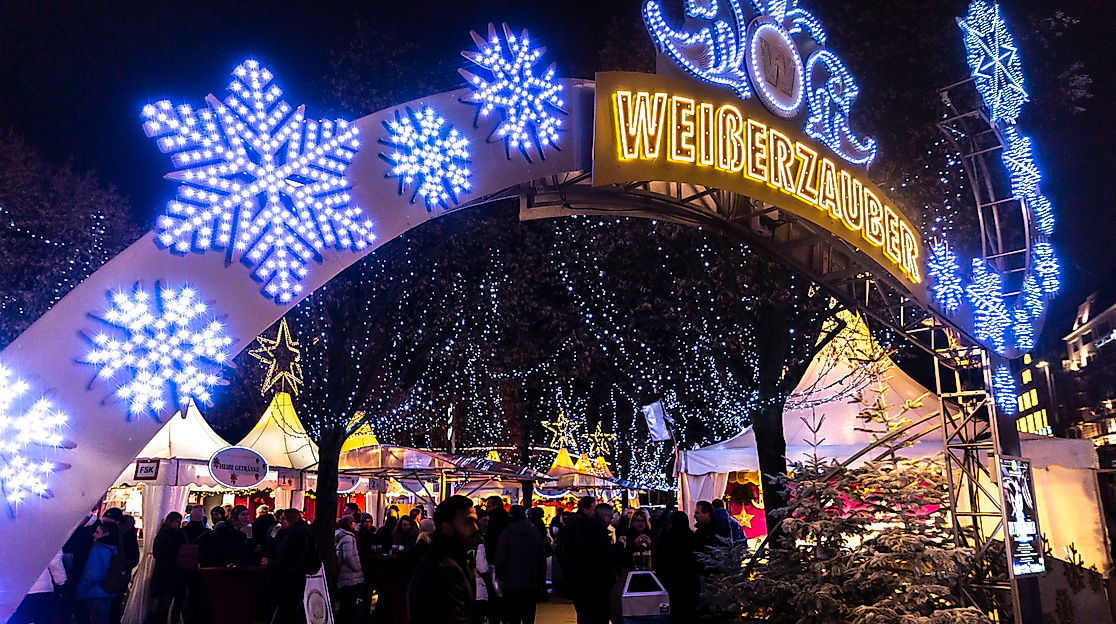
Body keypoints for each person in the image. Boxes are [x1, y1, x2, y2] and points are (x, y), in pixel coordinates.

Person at [406, 495, 479, 624]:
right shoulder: (445, 569)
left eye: (475, 521)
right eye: (468, 522)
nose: (475, 528)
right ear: (447, 527)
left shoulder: (451, 560)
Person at [568, 503, 619, 624]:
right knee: (599, 616)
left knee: (585, 616)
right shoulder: (600, 533)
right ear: (605, 517)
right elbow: (608, 557)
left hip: (581, 583)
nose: (610, 521)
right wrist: (619, 547)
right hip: (599, 584)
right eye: (610, 518)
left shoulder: (579, 530)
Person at [494, 506, 547, 624]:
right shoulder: (534, 532)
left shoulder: (506, 534)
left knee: (513, 616)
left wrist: (500, 576)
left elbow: (500, 558)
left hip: (510, 582)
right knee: (528, 616)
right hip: (530, 580)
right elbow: (541, 556)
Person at [263, 509, 316, 624]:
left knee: (287, 612)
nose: (280, 521)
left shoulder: (297, 535)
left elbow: (290, 560)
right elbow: (271, 543)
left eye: (283, 518)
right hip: (289, 579)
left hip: (289, 580)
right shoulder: (289, 532)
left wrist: (271, 562)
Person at [653, 511, 701, 622]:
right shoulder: (692, 539)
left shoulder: (667, 539)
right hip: (689, 585)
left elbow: (661, 561)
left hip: (671, 584)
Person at [145, 511, 186, 624]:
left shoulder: (170, 534)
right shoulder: (166, 535)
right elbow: (159, 553)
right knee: (161, 604)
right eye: (177, 522)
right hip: (165, 574)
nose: (179, 524)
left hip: (168, 574)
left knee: (163, 604)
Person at [77, 521, 120, 624]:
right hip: (109, 591)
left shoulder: (97, 550)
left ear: (105, 534)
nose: (94, 534)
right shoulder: (115, 549)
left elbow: (91, 575)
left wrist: (80, 592)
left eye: (97, 532)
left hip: (95, 593)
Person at [554, 496, 595, 601]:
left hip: (572, 568)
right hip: (581, 571)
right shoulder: (585, 526)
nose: (595, 513)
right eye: (593, 509)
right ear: (585, 510)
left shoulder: (570, 526)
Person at [9, 550, 66, 624]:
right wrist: (61, 581)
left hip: (14, 592)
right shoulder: (46, 537)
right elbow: (55, 560)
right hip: (42, 589)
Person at [335, 515, 366, 624]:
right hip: (350, 575)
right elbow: (349, 556)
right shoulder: (348, 537)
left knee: (346, 601)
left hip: (345, 574)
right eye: (353, 522)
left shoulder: (342, 535)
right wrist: (357, 568)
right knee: (349, 601)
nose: (355, 524)